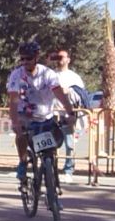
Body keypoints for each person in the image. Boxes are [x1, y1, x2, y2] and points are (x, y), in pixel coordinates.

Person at [7, 41, 74, 184]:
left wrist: (71, 113)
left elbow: (60, 95)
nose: (25, 62)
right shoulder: (16, 75)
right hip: (25, 114)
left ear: (36, 57)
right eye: (22, 58)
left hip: (45, 115)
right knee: (21, 134)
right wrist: (15, 122)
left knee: (51, 148)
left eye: (29, 58)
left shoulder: (48, 74)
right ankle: (23, 162)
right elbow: (13, 100)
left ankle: (51, 174)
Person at [48, 48, 87, 183]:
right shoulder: (51, 75)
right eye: (58, 57)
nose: (60, 59)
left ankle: (68, 170)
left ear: (68, 60)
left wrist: (69, 91)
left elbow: (81, 94)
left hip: (67, 114)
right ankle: (50, 169)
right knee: (50, 143)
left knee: (69, 143)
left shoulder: (74, 77)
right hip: (52, 114)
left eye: (62, 57)